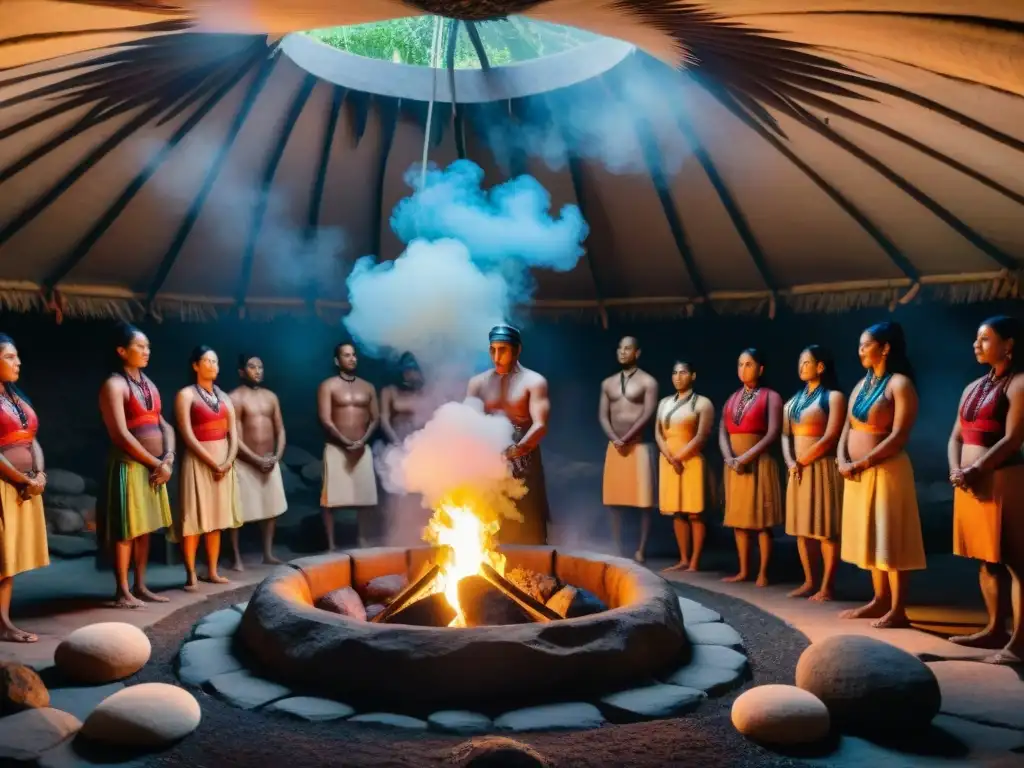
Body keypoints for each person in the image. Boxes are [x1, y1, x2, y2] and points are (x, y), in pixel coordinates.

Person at [837, 321, 925, 628]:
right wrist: (841, 458)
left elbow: (899, 435)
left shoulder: (899, 384)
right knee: (871, 536)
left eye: (866, 344)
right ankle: (879, 599)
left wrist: (862, 462)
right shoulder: (861, 385)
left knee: (891, 537)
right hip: (858, 473)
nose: (860, 350)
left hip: (887, 471)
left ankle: (899, 608)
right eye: (860, 345)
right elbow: (847, 427)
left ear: (885, 348)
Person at [947, 316, 1024, 664]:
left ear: (1008, 344)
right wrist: (955, 469)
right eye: (976, 339)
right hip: (970, 481)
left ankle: (1019, 644)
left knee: (1015, 562)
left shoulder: (1020, 383)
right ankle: (995, 628)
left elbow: (1013, 438)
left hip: (1003, 479)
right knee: (986, 560)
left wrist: (977, 468)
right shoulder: (973, 386)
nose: (976, 345)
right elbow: (956, 436)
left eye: (985, 339)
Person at [97, 322, 174, 608]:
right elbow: (120, 433)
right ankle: (122, 591)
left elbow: (163, 423)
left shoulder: (149, 385)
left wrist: (170, 456)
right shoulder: (114, 385)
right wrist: (158, 462)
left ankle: (140, 585)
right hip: (129, 466)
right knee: (126, 530)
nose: (146, 351)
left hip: (154, 468)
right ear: (121, 350)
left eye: (148, 347)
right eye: (139, 346)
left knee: (146, 529)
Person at [467, 324, 551, 545]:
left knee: (528, 515)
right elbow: (467, 423)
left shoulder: (534, 382)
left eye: (502, 349)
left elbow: (540, 425)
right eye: (492, 349)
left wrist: (515, 450)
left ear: (517, 350)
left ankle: (533, 570)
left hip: (524, 453)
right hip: (489, 457)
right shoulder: (477, 383)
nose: (496, 356)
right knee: (488, 516)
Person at [173, 345, 240, 590]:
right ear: (195, 365)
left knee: (217, 518)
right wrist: (213, 463)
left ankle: (212, 570)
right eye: (208, 361)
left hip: (224, 458)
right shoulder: (186, 395)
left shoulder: (224, 397)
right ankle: (191, 573)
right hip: (199, 459)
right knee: (194, 518)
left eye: (216, 361)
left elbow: (234, 432)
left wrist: (228, 460)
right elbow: (187, 434)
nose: (213, 366)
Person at [782, 345, 846, 602]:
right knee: (802, 529)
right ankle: (810, 581)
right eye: (800, 362)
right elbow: (785, 435)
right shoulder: (792, 402)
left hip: (821, 467)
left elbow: (831, 436)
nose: (802, 367)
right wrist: (790, 462)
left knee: (825, 529)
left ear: (821, 366)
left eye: (807, 362)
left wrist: (804, 460)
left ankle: (827, 586)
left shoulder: (833, 397)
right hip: (797, 470)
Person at [719, 348, 783, 586]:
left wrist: (744, 458)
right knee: (739, 521)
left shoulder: (770, 396)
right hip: (735, 466)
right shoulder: (732, 398)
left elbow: (773, 432)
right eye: (740, 364)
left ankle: (763, 572)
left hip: (758, 464)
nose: (743, 369)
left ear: (761, 369)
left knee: (761, 522)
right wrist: (728, 457)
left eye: (748, 364)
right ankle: (744, 570)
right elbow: (722, 431)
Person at [0, 334, 48, 642]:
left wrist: (39, 473)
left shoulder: (15, 396)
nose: (18, 362)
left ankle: (3, 621)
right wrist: (22, 479)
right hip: (5, 484)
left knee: (8, 560)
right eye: (10, 357)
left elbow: (31, 439)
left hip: (25, 485)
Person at [598, 336, 657, 562]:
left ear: (637, 353)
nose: (623, 352)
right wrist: (615, 439)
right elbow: (603, 415)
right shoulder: (608, 383)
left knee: (644, 502)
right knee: (614, 501)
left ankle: (641, 549)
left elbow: (647, 412)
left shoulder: (648, 382)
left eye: (628, 348)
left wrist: (628, 437)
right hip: (615, 446)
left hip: (638, 446)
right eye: (620, 348)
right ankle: (617, 547)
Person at [228, 354, 287, 570]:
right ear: (241, 371)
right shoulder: (234, 398)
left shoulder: (271, 397)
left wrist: (277, 457)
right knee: (238, 512)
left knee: (271, 508)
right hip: (245, 462)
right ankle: (236, 557)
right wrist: (254, 459)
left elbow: (280, 429)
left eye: (260, 367)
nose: (258, 371)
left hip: (270, 461)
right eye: (252, 367)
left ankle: (268, 553)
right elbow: (234, 435)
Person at [318, 342, 379, 550]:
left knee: (365, 498)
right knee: (329, 499)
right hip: (336, 448)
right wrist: (345, 442)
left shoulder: (367, 386)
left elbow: (375, 418)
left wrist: (363, 441)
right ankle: (331, 544)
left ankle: (362, 538)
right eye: (346, 355)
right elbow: (325, 419)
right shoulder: (328, 385)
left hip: (362, 448)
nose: (352, 358)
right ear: (337, 360)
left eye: (354, 355)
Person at [656, 361, 714, 572]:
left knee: (694, 512)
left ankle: (695, 560)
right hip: (669, 460)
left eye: (683, 373)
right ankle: (683, 558)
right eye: (675, 373)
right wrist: (669, 456)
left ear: (693, 375)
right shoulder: (664, 403)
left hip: (690, 461)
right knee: (677, 512)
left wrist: (680, 457)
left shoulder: (702, 403)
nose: (678, 377)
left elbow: (701, 435)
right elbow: (658, 433)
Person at [380, 352, 426, 444]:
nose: (409, 374)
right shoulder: (389, 391)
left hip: (418, 441)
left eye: (412, 370)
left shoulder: (420, 392)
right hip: (396, 440)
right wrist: (395, 441)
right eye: (406, 371)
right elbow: (384, 420)